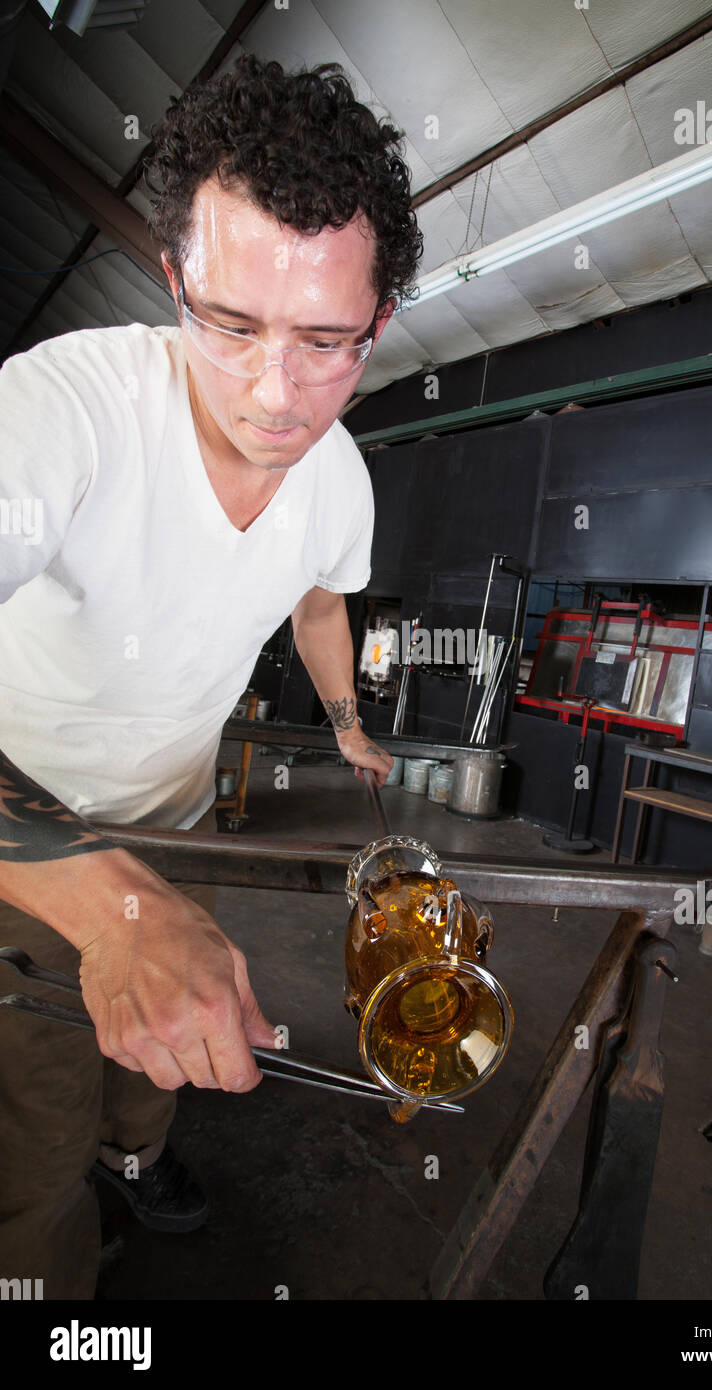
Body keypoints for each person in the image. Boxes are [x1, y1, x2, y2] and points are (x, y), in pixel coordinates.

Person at [0, 55, 422, 1298]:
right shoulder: (62, 412)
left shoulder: (339, 478)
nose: (271, 392)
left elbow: (319, 601)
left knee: (162, 1055)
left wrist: (345, 720)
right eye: (229, 325)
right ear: (174, 277)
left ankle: (135, 1162)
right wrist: (93, 896)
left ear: (381, 321)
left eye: (325, 342)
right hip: (24, 835)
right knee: (30, 1142)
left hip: (177, 826)